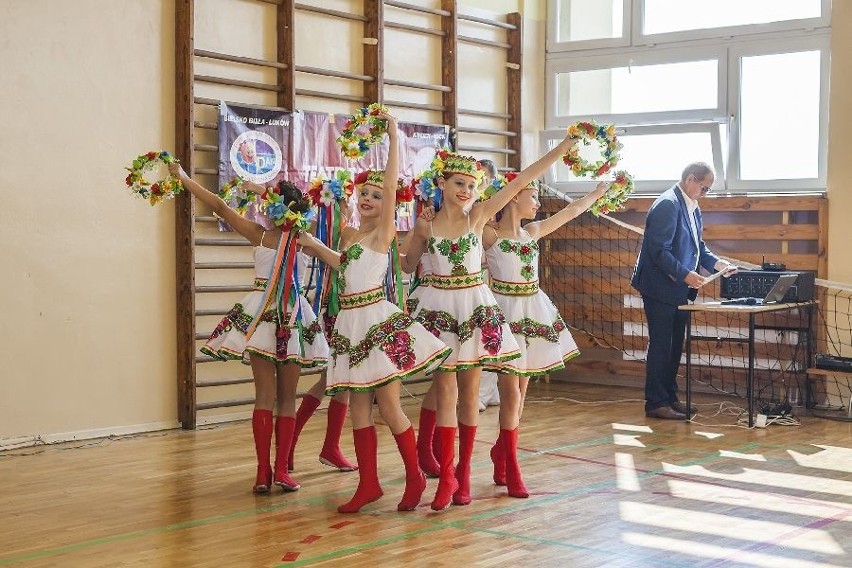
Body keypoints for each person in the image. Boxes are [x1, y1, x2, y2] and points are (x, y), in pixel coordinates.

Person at [401, 134, 580, 510]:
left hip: (474, 311)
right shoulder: (425, 227)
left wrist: (562, 150)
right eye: (458, 184)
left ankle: (463, 476)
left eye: (471, 184)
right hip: (439, 312)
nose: (466, 190)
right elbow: (404, 264)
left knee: (470, 396)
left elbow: (520, 179)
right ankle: (447, 476)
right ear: (441, 184)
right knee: (446, 393)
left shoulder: (480, 217)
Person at [297, 112, 451, 513]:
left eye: (377, 195)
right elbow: (343, 266)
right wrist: (314, 246)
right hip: (349, 323)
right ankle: (369, 484)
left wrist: (394, 137)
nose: (367, 199)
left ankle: (415, 477)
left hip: (375, 322)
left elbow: (392, 178)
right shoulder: (349, 233)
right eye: (364, 194)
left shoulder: (385, 234)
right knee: (358, 410)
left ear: (389, 206)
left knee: (390, 406)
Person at [169, 165, 327, 494]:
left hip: (280, 316)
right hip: (281, 317)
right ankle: (272, 470)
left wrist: (187, 179)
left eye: (271, 205)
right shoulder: (297, 238)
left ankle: (270, 471)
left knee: (270, 398)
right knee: (282, 399)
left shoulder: (277, 236)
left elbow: (221, 206)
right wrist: (185, 179)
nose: (268, 211)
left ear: (276, 208)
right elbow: (221, 207)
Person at [484, 176, 608, 497]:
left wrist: (597, 192)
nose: (538, 203)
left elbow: (572, 211)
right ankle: (512, 466)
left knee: (520, 396)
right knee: (511, 394)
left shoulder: (533, 231)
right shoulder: (489, 235)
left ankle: (502, 451)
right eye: (533, 195)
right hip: (504, 315)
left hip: (533, 312)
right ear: (513, 197)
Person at [630, 162, 737, 420]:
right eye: (705, 188)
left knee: (674, 345)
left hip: (678, 288)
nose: (706, 193)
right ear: (691, 179)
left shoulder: (691, 205)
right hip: (660, 286)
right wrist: (685, 274)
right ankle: (656, 402)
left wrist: (717, 264)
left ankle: (669, 397)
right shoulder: (668, 204)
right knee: (661, 345)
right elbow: (659, 252)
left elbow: (698, 246)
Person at [476, 159, 501, 413]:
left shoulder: (494, 203)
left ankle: (489, 389)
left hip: (493, 275)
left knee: (491, 335)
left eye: (484, 177)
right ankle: (482, 391)